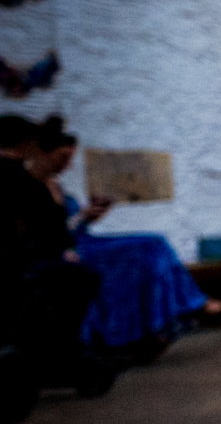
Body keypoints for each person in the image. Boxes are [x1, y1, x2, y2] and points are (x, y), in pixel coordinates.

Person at [27, 118, 204, 358]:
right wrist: (81, 217)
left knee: (153, 242)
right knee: (145, 249)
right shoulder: (29, 187)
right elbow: (46, 233)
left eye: (69, 158)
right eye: (62, 157)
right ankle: (192, 307)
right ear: (42, 153)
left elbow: (75, 225)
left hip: (83, 241)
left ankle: (159, 323)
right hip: (59, 250)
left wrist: (91, 215)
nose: (66, 164)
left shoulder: (56, 185)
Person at [0, 115, 111, 411]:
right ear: (28, 145)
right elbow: (41, 231)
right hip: (19, 265)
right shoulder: (19, 180)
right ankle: (60, 352)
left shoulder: (26, 180)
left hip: (23, 259)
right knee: (81, 278)